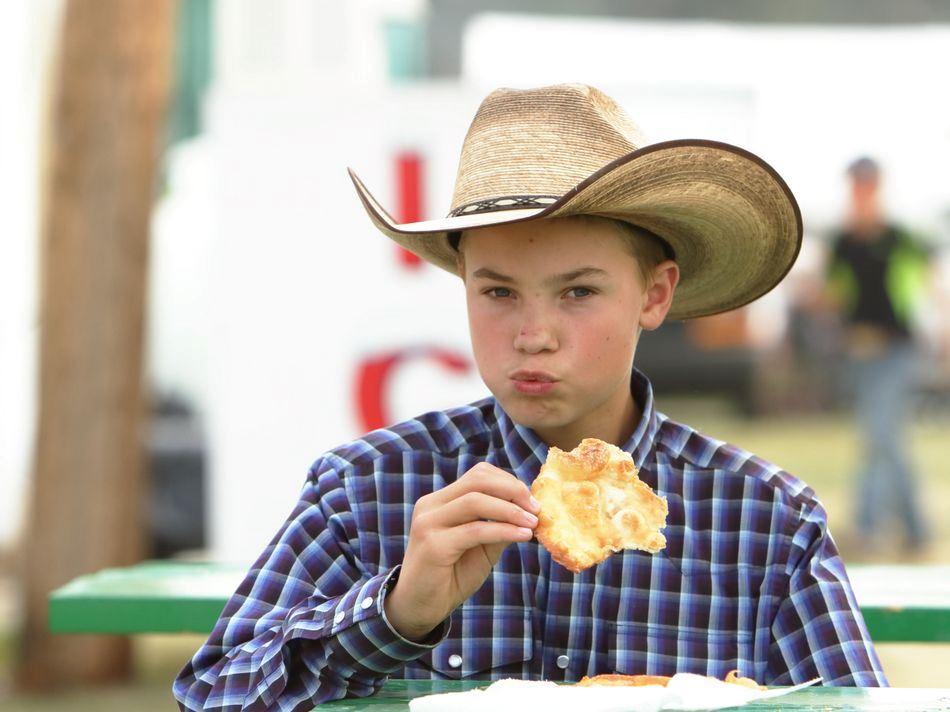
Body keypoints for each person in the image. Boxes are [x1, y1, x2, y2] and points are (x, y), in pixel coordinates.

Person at [174, 84, 887, 711]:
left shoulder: (764, 524)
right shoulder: (366, 493)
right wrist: (394, 614)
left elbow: (856, 705)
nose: (533, 334)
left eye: (578, 292)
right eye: (497, 292)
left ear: (655, 293)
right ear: (463, 287)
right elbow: (213, 693)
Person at [826, 156, 931, 553]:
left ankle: (871, 526)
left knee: (881, 435)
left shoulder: (899, 236)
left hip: (896, 350)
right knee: (884, 439)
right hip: (860, 352)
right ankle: (912, 530)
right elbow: (834, 294)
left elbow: (924, 284)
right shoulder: (844, 241)